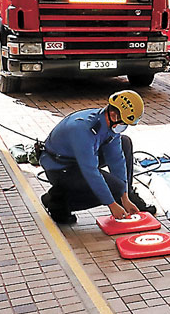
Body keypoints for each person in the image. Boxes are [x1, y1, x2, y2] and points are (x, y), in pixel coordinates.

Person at [40, 91, 155, 224]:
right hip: (61, 169)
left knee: (125, 143)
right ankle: (57, 202)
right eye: (124, 123)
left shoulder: (109, 123)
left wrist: (124, 197)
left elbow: (116, 159)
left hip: (78, 159)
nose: (124, 126)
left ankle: (127, 195)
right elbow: (91, 172)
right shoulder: (82, 128)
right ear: (113, 114)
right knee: (114, 188)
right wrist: (111, 204)